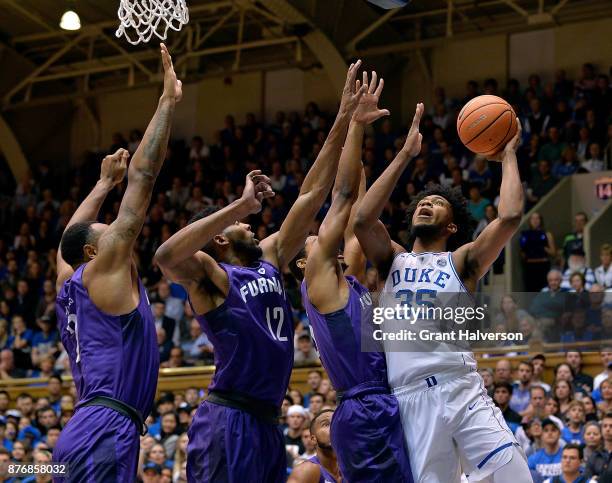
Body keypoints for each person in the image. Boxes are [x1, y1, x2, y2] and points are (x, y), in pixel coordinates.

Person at [154, 62, 368, 482]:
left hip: (266, 423)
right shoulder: (210, 275)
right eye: (241, 226)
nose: (253, 225)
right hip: (228, 417)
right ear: (219, 237)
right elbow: (164, 257)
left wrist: (343, 117)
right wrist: (238, 207)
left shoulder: (269, 257)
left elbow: (310, 193)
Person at [354, 102, 530, 482]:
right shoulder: (391, 261)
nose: (426, 204)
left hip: (461, 386)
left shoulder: (463, 261)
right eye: (422, 202)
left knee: (515, 476)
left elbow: (510, 216)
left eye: (437, 203)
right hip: (409, 399)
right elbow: (362, 220)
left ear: (452, 226)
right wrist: (404, 155)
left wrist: (509, 155)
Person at [52, 44, 181, 481]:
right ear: (94, 253)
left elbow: (65, 242)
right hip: (105, 427)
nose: (118, 233)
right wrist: (166, 101)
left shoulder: (69, 285)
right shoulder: (101, 271)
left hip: (83, 429)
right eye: (108, 232)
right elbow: (143, 179)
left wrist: (104, 182)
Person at [294, 72, 412, 481]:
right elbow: (341, 198)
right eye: (312, 241)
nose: (319, 239)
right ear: (302, 265)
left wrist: (360, 164)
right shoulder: (319, 283)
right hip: (361, 410)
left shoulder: (353, 281)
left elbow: (358, 223)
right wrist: (355, 126)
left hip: (385, 402)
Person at [287, 410, 341, 483]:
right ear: (313, 439)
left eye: (336, 423)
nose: (333, 427)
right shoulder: (307, 470)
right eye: (326, 424)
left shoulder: (350, 468)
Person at [519, 213, 555, 292]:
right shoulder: (525, 234)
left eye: (537, 218)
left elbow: (553, 252)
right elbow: (522, 252)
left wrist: (544, 248)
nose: (535, 221)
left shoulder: (546, 234)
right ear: (529, 221)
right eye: (533, 218)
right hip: (530, 267)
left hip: (543, 266)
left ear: (540, 220)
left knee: (544, 290)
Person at [584, 413, 612, 481]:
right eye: (605, 426)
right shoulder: (594, 455)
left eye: (611, 426)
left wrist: (599, 479)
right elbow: (588, 479)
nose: (608, 429)